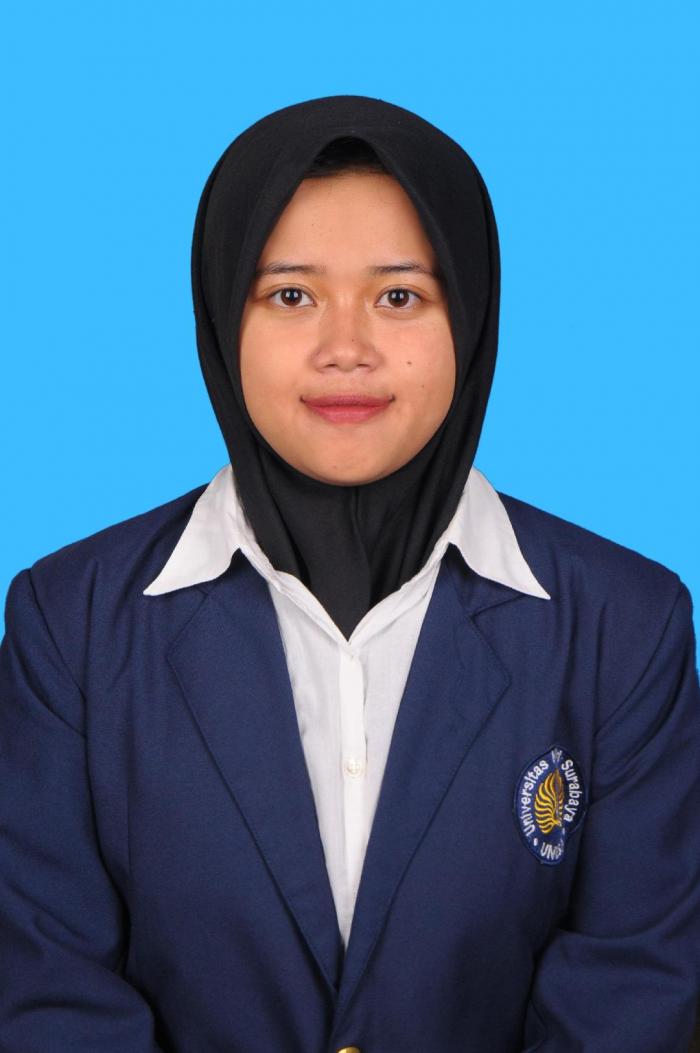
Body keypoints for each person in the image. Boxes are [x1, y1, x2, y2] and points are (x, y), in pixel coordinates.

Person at [0, 94, 698, 1052]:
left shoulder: (625, 624)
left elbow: (635, 986)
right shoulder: (70, 622)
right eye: (290, 295)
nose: (346, 350)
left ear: (471, 315)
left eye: (399, 296)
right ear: (221, 315)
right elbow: (48, 988)